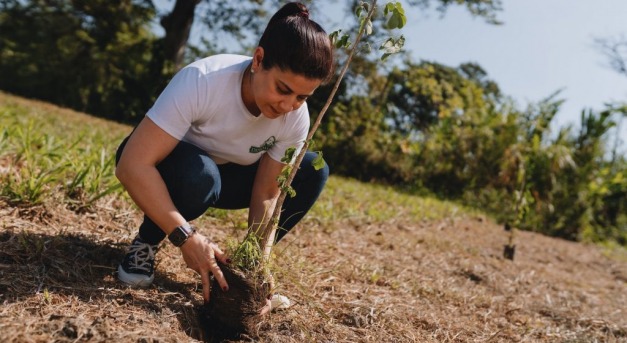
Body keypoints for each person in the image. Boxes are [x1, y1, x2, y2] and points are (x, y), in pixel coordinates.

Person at [114, 2, 333, 310]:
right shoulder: (204, 79)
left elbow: (268, 193)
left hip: (225, 179)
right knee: (201, 176)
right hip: (168, 169)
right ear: (259, 59)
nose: (288, 106)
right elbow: (132, 164)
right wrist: (186, 237)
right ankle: (145, 243)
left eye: (302, 97)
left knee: (312, 170)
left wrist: (261, 259)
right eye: (282, 89)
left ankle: (245, 270)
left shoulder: (296, 116)